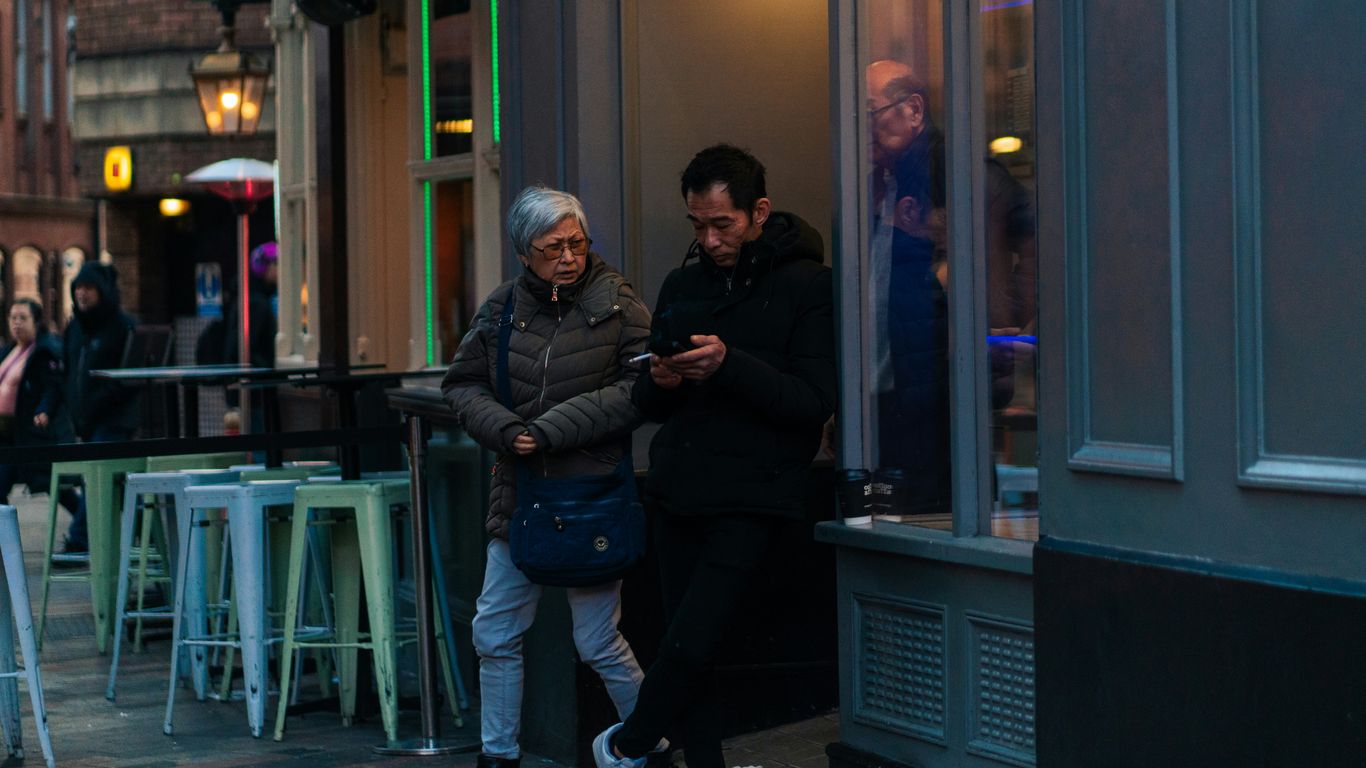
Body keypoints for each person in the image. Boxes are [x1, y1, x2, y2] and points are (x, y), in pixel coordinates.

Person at [592, 145, 837, 768]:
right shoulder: (683, 281)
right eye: (697, 225)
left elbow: (811, 401)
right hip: (679, 488)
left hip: (757, 492)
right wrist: (663, 382)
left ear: (759, 212)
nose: (708, 239)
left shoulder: (808, 282)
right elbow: (651, 397)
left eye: (721, 224)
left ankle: (626, 744)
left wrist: (728, 365)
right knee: (684, 645)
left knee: (695, 640)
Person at [441, 186, 657, 768]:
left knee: (597, 640)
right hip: (521, 495)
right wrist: (510, 432)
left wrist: (551, 429)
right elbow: (462, 384)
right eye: (552, 247)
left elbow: (640, 391)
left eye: (577, 242)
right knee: (495, 632)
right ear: (523, 252)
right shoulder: (502, 307)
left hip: (590, 493)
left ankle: (649, 747)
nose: (568, 256)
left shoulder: (620, 304)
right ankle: (498, 755)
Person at [58, 262, 138, 556]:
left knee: (97, 478)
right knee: (110, 483)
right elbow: (67, 372)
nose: (82, 294)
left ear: (102, 291)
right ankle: (142, 530)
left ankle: (80, 539)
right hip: (84, 421)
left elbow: (126, 378)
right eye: (78, 288)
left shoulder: (122, 325)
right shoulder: (75, 328)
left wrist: (96, 403)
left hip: (114, 418)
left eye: (88, 288)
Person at [0, 299, 80, 518]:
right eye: (13, 317)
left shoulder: (44, 350)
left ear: (36, 321)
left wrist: (44, 410)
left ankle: (86, 528)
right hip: (7, 436)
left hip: (31, 436)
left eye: (23, 318)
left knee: (56, 487)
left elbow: (52, 387)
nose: (16, 323)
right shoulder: (9, 350)